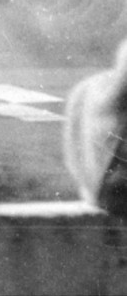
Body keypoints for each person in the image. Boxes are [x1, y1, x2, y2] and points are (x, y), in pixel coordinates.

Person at [65, 37, 127, 217]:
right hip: (116, 191)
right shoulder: (114, 98)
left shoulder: (87, 87)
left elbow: (73, 155)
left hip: (95, 191)